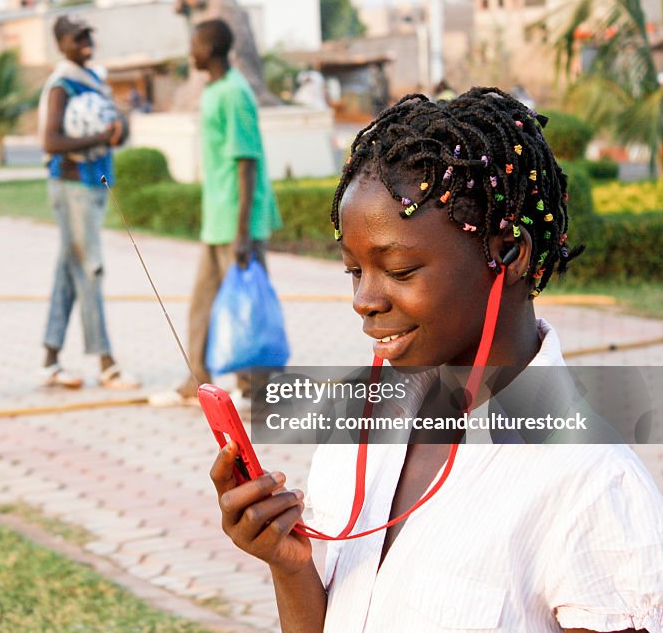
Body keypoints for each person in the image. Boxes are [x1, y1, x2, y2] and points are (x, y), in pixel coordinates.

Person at [209, 88, 663, 630]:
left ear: (508, 253)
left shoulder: (591, 481)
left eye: (399, 271)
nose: (364, 300)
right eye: (355, 271)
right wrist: (290, 567)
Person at [153, 19, 282, 407]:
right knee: (203, 302)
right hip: (218, 219)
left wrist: (243, 230)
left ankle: (255, 387)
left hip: (238, 219)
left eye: (194, 45)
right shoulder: (214, 91)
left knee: (247, 303)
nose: (189, 52)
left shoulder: (235, 93)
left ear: (208, 49)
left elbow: (246, 162)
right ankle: (197, 378)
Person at [36, 14, 140, 391]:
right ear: (60, 42)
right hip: (72, 185)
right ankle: (107, 363)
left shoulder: (94, 80)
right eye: (76, 36)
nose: (84, 41)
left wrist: (117, 130)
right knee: (90, 270)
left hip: (95, 184)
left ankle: (49, 361)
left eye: (87, 35)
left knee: (70, 272)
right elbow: (51, 141)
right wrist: (98, 136)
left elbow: (115, 126)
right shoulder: (61, 86)